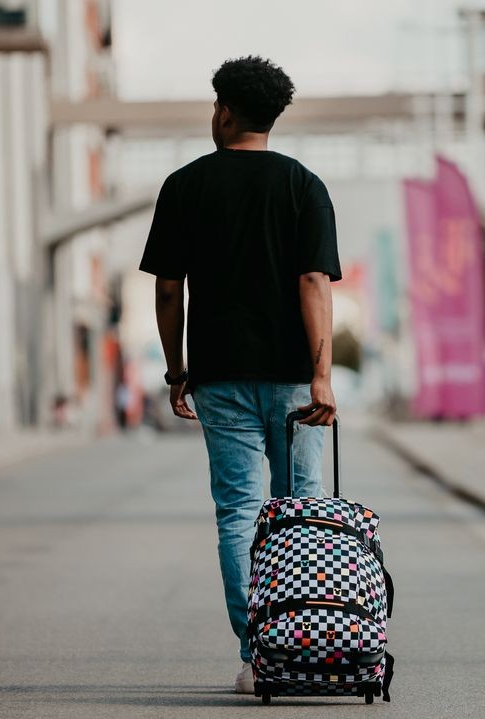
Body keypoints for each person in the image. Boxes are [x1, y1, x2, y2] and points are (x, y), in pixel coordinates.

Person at [138, 56, 340, 694]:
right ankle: (305, 647)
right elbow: (314, 283)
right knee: (301, 512)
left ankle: (259, 657)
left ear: (224, 109)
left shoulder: (185, 185)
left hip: (220, 376)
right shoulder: (304, 186)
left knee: (238, 513)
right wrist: (323, 377)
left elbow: (169, 291)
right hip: (292, 380)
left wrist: (176, 371)